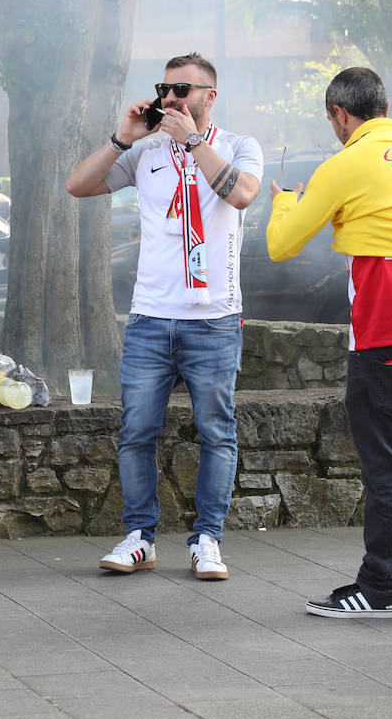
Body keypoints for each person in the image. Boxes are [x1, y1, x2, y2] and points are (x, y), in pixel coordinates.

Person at [265, 66, 392, 620]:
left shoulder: (345, 163)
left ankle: (380, 589)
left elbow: (283, 246)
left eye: (331, 119)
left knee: (387, 469)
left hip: (387, 338)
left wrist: (286, 201)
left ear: (340, 114)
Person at [66, 52, 263, 581]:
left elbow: (242, 194)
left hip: (215, 319)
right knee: (137, 431)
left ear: (209, 97)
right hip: (151, 318)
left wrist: (196, 144)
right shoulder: (147, 151)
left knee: (216, 431)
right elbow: (78, 186)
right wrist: (122, 137)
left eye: (183, 89)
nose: (171, 98)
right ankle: (139, 538)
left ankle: (208, 541)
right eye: (165, 88)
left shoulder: (238, 146)